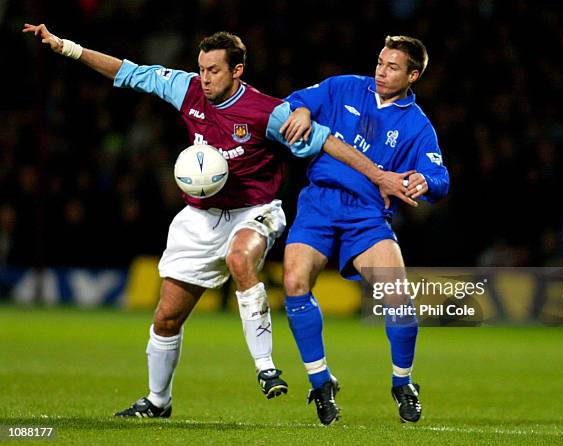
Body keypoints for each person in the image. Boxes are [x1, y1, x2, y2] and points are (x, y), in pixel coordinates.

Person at [23, 23, 413, 418]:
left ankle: (266, 367)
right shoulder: (186, 89)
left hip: (255, 209)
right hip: (199, 217)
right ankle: (158, 401)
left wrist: (381, 177)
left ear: (237, 70)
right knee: (167, 317)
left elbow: (329, 141)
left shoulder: (269, 113)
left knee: (240, 259)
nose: (204, 78)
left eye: (213, 71)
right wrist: (66, 47)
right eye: (202, 69)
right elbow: (127, 71)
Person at [279, 35, 450, 424]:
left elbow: (440, 176)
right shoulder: (344, 87)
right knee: (294, 281)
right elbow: (294, 101)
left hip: (367, 215)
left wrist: (425, 180)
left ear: (413, 75)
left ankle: (403, 382)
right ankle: (321, 382)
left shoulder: (416, 124)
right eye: (379, 62)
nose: (381, 70)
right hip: (319, 203)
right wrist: (302, 110)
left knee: (399, 298)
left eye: (392, 67)